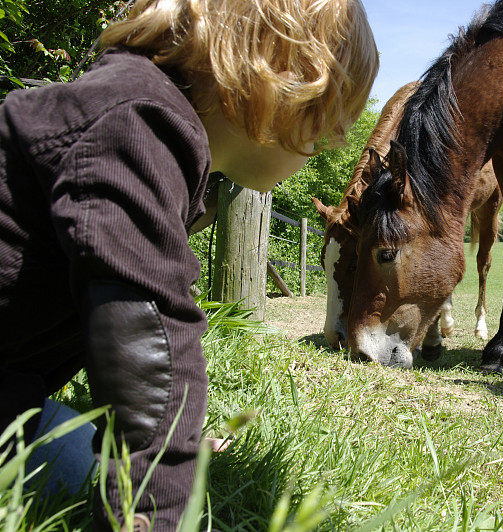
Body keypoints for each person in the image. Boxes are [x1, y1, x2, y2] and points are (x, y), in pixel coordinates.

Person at [0, 0, 378, 529]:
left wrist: (178, 436)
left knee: (80, 458)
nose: (337, 137)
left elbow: (112, 325)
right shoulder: (139, 124)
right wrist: (160, 510)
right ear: (275, 73)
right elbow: (148, 335)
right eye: (334, 111)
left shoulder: (140, 122)